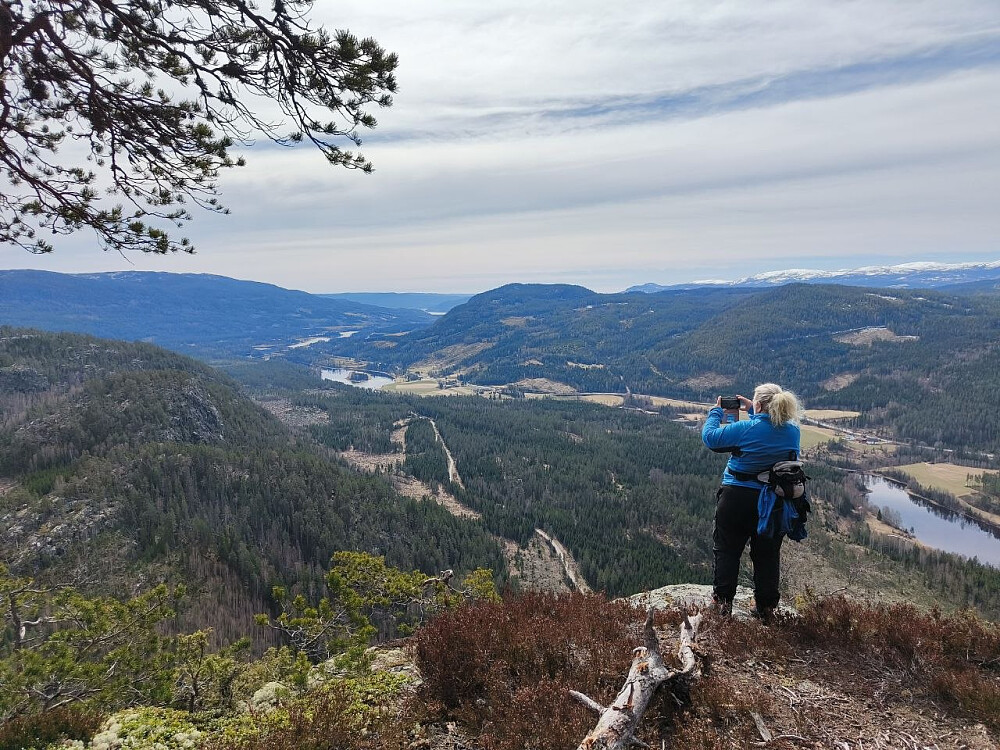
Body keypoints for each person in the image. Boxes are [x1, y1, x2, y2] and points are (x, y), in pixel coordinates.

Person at [701, 383, 803, 622]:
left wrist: (716, 412)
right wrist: (754, 410)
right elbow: (768, 428)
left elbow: (711, 439)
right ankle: (766, 608)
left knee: (727, 550)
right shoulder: (792, 431)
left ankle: (722, 604)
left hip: (736, 499)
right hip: (773, 503)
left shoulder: (745, 429)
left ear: (759, 404)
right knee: (767, 554)